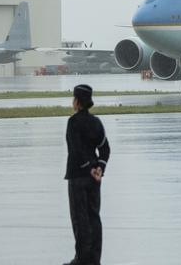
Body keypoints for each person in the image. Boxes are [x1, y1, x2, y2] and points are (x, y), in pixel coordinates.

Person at [64, 84, 110, 265]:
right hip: (94, 179)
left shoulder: (73, 122)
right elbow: (105, 148)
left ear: (77, 101)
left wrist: (88, 167)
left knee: (79, 219)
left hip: (78, 176)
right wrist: (100, 167)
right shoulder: (96, 122)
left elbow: (74, 149)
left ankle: (82, 259)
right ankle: (94, 259)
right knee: (94, 218)